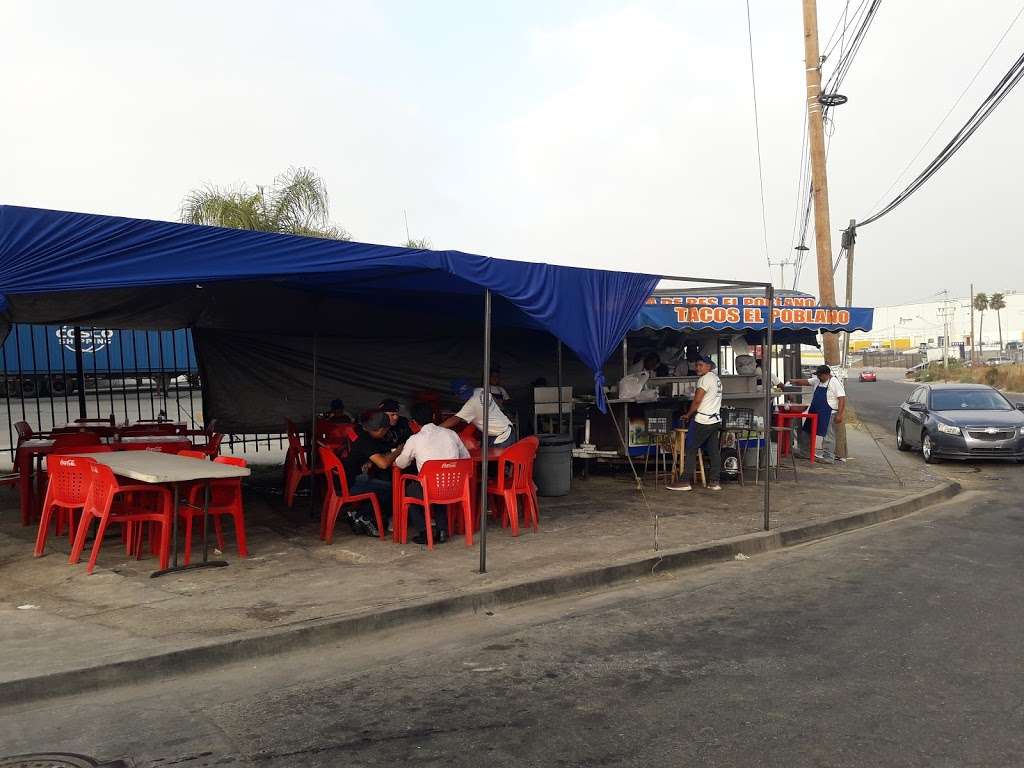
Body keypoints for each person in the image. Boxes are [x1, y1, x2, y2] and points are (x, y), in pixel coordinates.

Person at [394, 403, 470, 544]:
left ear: (414, 423)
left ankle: (424, 532)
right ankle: (442, 531)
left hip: (431, 489)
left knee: (410, 490)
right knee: (438, 487)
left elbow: (401, 463)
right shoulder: (451, 434)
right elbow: (466, 458)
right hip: (455, 488)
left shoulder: (415, 439)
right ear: (434, 417)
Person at [666, 354, 723, 492]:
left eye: (701, 365)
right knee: (713, 451)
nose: (697, 368)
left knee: (691, 449)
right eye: (697, 365)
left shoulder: (704, 380)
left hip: (702, 420)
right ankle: (714, 482)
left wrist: (688, 414)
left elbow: (697, 401)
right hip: (715, 420)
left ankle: (685, 481)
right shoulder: (716, 379)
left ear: (709, 366)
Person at [343, 410, 403, 536]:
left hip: (353, 478)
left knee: (383, 484)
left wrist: (379, 458)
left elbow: (380, 456)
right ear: (384, 430)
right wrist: (398, 450)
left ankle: (359, 513)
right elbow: (383, 464)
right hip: (353, 483)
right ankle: (363, 515)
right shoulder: (366, 440)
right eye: (376, 430)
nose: (375, 432)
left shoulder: (367, 437)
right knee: (392, 488)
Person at [788, 365, 846, 463]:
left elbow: (842, 399)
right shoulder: (817, 380)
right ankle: (805, 452)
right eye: (818, 375)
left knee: (828, 435)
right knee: (807, 431)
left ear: (827, 374)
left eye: (820, 375)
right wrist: (794, 381)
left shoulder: (834, 382)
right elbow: (806, 382)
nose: (818, 377)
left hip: (828, 412)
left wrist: (840, 414)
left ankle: (828, 457)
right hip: (814, 411)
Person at [441, 379, 516, 448]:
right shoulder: (480, 390)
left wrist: (435, 428)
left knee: (494, 461)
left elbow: (455, 419)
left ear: (456, 395)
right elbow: (493, 400)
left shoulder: (471, 405)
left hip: (502, 437)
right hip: (505, 429)